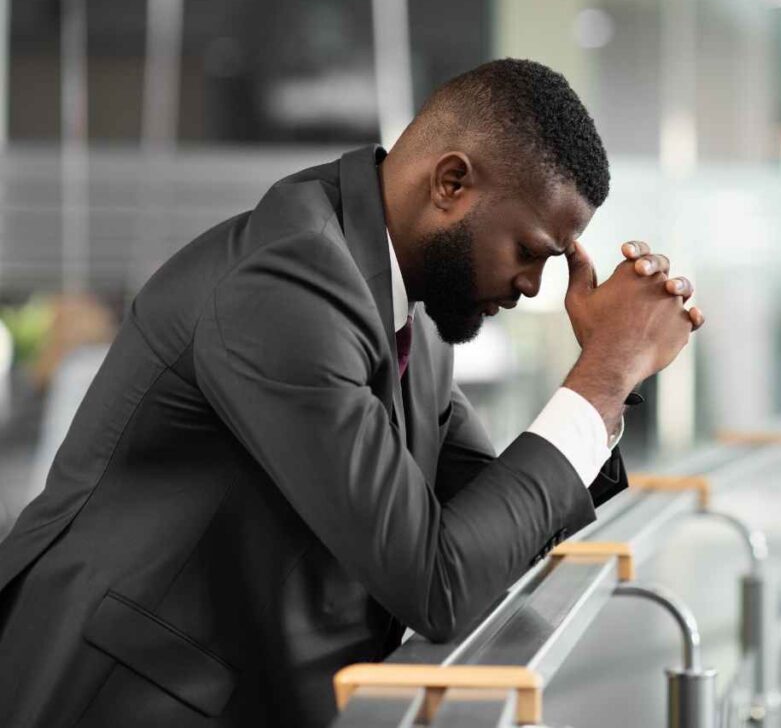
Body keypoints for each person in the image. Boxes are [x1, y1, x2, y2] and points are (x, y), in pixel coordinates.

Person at [0, 59, 703, 727]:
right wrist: (604, 373)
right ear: (451, 183)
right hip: (116, 699)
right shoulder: (285, 289)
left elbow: (495, 535)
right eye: (528, 252)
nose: (531, 286)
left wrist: (610, 378)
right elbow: (439, 580)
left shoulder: (410, 318)